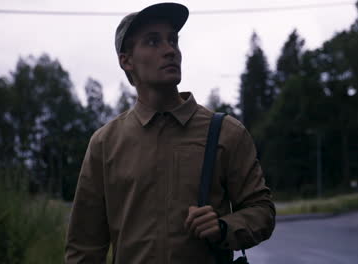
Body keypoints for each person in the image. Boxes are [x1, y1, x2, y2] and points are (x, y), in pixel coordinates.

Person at [65, 3, 275, 264]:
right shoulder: (105, 143)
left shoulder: (225, 132)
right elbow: (84, 247)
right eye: (153, 42)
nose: (170, 51)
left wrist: (224, 228)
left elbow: (262, 211)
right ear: (126, 60)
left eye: (173, 41)